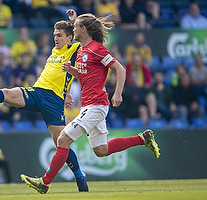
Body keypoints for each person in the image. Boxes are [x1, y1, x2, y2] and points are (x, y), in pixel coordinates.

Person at [20, 9, 160, 194]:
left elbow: (120, 69)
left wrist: (118, 93)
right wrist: (73, 70)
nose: (73, 30)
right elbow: (87, 76)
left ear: (83, 30)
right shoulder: (82, 51)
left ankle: (44, 182)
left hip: (96, 106)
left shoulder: (97, 49)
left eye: (76, 27)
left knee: (62, 139)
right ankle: (142, 139)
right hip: (91, 105)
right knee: (101, 150)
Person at [0, 19, 89, 192]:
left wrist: (76, 22)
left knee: (61, 144)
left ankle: (80, 177)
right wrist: (66, 92)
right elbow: (57, 75)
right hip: (36, 92)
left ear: (69, 38)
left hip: (53, 101)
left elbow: (87, 38)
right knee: (6, 94)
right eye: (54, 35)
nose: (56, 39)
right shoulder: (53, 52)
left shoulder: (73, 49)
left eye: (59, 36)